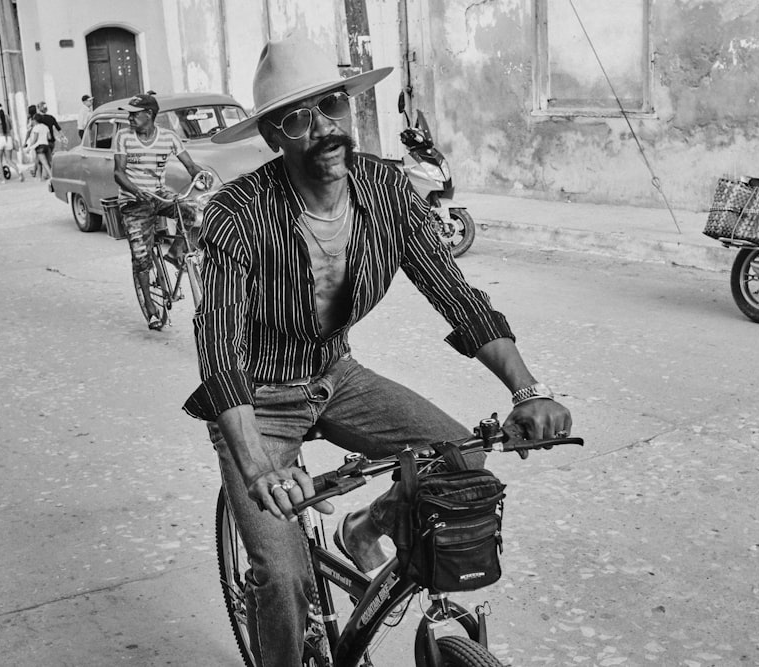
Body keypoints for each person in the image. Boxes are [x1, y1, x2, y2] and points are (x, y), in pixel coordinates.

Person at [182, 34, 572, 666]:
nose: (324, 128)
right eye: (297, 118)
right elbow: (219, 351)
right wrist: (258, 469)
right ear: (274, 137)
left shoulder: (387, 192)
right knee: (283, 580)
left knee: (461, 465)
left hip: (335, 375)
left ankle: (365, 527)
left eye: (332, 106)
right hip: (258, 401)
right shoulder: (239, 214)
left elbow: (459, 298)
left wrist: (528, 391)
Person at [112, 92, 209, 330]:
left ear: (149, 114)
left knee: (191, 212)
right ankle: (150, 306)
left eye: (135, 115)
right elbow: (118, 172)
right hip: (133, 201)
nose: (130, 119)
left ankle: (176, 253)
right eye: (129, 115)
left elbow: (190, 165)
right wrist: (135, 191)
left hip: (158, 194)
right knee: (141, 257)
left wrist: (200, 175)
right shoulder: (123, 136)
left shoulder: (168, 137)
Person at [0, 102, 25, 184]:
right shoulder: (7, 117)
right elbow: (10, 128)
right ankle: (19, 172)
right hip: (8, 139)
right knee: (9, 160)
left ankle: (2, 179)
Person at [24, 114, 52, 180]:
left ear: (35, 120)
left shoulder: (36, 128)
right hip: (46, 145)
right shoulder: (45, 127)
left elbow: (35, 139)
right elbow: (49, 137)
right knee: (41, 161)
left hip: (39, 146)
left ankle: (51, 177)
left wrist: (29, 148)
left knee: (45, 163)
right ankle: (39, 177)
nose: (32, 121)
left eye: (33, 120)